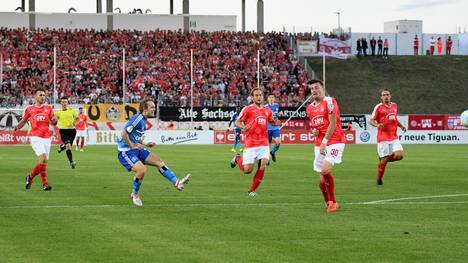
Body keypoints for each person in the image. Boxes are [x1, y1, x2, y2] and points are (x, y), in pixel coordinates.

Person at [117, 99, 191, 206]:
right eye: (152, 107)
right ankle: (135, 194)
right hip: (126, 152)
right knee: (141, 170)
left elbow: (135, 136)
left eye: (154, 107)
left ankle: (177, 182)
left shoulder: (144, 121)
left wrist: (146, 143)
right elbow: (124, 133)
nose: (154, 109)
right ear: (145, 110)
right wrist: (131, 145)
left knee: (159, 162)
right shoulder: (137, 119)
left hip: (137, 149)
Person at [230, 88, 281, 196]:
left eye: (260, 95)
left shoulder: (268, 111)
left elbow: (272, 122)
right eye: (256, 95)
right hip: (251, 144)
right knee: (247, 170)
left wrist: (277, 123)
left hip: (263, 143)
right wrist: (243, 127)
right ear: (252, 97)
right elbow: (237, 122)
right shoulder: (247, 109)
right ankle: (237, 158)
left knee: (263, 165)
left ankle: (251, 191)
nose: (259, 97)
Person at [305, 79, 345, 213]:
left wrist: (324, 142)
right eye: (312, 89)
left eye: (317, 88)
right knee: (322, 180)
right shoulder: (309, 108)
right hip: (319, 144)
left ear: (323, 88)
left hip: (335, 141)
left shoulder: (330, 102)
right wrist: (314, 131)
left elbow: (332, 124)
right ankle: (327, 201)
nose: (314, 91)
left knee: (325, 170)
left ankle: (333, 202)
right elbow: (314, 127)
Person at [12, 88, 57, 191]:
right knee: (42, 158)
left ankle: (30, 177)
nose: (43, 97)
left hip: (47, 137)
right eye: (40, 95)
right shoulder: (30, 109)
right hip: (35, 137)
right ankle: (45, 184)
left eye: (44, 95)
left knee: (44, 161)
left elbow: (53, 121)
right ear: (35, 97)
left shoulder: (49, 108)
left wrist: (55, 121)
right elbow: (23, 121)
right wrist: (16, 128)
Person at [370, 89, 407, 185]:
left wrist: (401, 126)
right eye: (384, 95)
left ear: (390, 96)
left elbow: (394, 118)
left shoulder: (395, 105)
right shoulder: (378, 107)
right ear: (381, 97)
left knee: (400, 155)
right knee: (385, 158)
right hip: (383, 137)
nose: (386, 96)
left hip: (394, 137)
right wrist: (377, 125)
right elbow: (371, 120)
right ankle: (379, 179)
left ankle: (383, 160)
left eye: (387, 94)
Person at [55, 96, 78, 169]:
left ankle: (62, 147)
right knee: (68, 145)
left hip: (72, 131)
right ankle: (71, 162)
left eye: (65, 102)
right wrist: (54, 131)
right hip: (63, 131)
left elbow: (78, 119)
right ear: (61, 103)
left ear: (67, 103)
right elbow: (53, 122)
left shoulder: (72, 110)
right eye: (63, 102)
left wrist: (74, 124)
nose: (64, 103)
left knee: (68, 146)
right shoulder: (58, 113)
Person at [266, 94, 281, 162]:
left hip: (275, 127)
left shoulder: (277, 105)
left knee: (278, 142)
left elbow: (276, 115)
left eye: (272, 97)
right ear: (268, 99)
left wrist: (279, 114)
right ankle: (267, 158)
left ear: (274, 99)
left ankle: (273, 152)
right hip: (268, 128)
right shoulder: (265, 107)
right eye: (270, 97)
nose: (271, 98)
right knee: (268, 144)